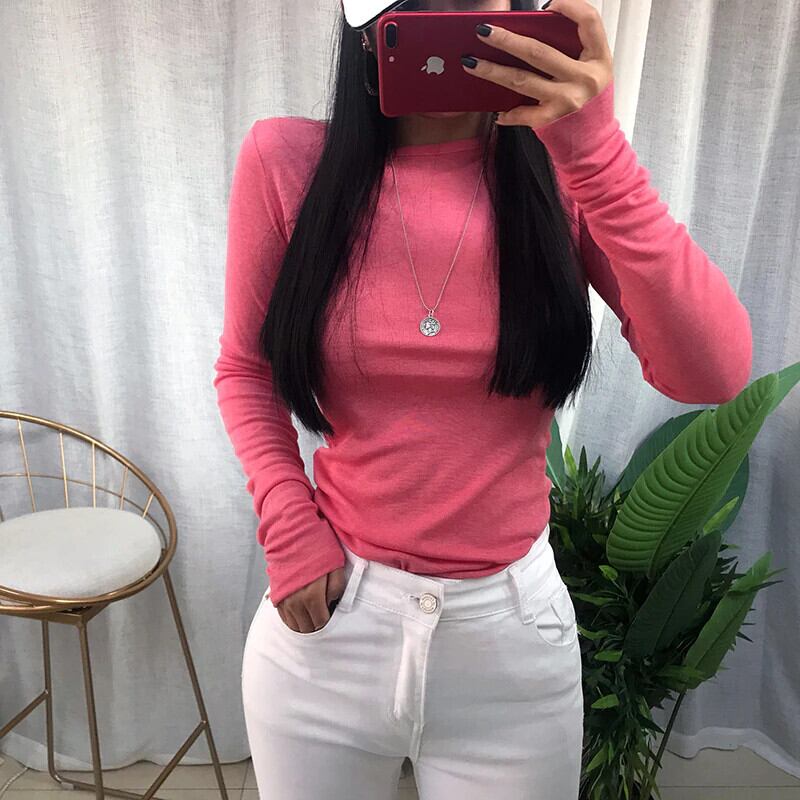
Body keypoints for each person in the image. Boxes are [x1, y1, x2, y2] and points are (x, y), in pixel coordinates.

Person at [212, 0, 753, 796]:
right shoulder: (286, 161)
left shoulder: (565, 179)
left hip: (511, 645)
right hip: (330, 626)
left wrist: (596, 154)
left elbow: (714, 373)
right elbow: (245, 368)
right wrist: (288, 523)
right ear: (371, 21)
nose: (455, 20)